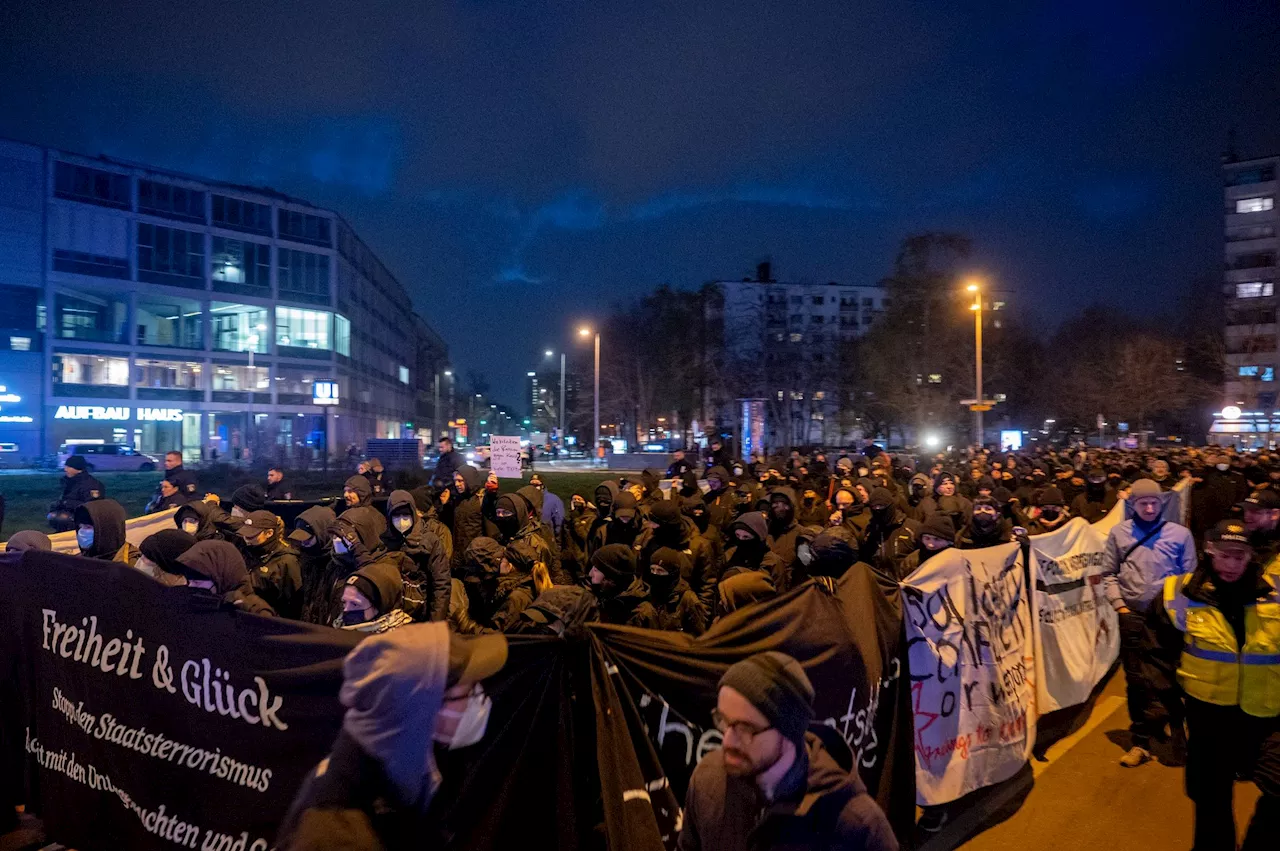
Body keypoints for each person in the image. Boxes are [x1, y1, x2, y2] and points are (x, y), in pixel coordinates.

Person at [276, 624, 509, 851]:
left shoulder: (395, 772)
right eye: (470, 691)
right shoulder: (337, 836)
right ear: (421, 711)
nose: (480, 699)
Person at [677, 651, 897, 851]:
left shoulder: (857, 825)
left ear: (788, 730)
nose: (728, 741)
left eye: (747, 729)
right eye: (724, 721)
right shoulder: (708, 781)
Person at [1151, 520, 1280, 851]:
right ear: (1207, 553)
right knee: (1210, 800)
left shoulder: (1276, 593)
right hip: (1208, 719)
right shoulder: (1176, 594)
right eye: (1224, 555)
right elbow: (1156, 658)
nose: (1232, 564)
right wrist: (1169, 718)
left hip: (1268, 717)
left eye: (1241, 555)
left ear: (1252, 556)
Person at [1102, 477, 1196, 767]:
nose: (1150, 507)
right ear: (1133, 504)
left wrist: (1183, 614)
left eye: (1155, 502)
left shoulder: (1180, 535)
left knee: (1171, 677)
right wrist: (1120, 607)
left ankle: (1176, 727)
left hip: (1169, 621)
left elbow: (1189, 577)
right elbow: (1108, 573)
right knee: (1136, 680)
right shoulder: (1119, 534)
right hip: (1133, 617)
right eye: (1144, 503)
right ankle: (1141, 741)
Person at [639, 499, 720, 610]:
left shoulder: (698, 546)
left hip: (684, 608)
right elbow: (643, 572)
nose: (650, 525)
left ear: (666, 525)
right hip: (654, 606)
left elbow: (707, 585)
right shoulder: (650, 538)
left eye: (654, 523)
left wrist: (702, 613)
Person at [383, 490, 451, 622]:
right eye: (396, 516)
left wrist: (435, 622)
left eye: (406, 515)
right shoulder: (385, 541)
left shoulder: (430, 541)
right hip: (391, 617)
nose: (402, 521)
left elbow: (441, 584)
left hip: (421, 614)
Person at [174, 540, 275, 615]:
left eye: (198, 582)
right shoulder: (205, 603)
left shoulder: (257, 610)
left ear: (222, 575)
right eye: (189, 580)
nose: (191, 585)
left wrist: (245, 610)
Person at [237, 510, 304, 619]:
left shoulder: (287, 561)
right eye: (244, 535)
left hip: (270, 622)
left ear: (269, 533)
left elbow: (293, 603)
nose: (246, 540)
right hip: (246, 617)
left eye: (251, 536)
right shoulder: (247, 552)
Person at [289, 505, 340, 625]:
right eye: (301, 540)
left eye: (307, 539)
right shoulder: (305, 560)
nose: (303, 544)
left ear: (323, 533)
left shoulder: (339, 564)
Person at [642, 547, 707, 635]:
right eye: (652, 569)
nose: (655, 574)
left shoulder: (687, 599)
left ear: (673, 573)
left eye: (660, 571)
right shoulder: (648, 594)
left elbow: (699, 634)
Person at [338, 560, 415, 634]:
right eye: (344, 602)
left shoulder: (404, 640)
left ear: (379, 606)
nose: (346, 609)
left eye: (355, 604)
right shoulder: (339, 626)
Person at [858, 487, 921, 578]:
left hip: (906, 584)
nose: (878, 510)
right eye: (875, 507)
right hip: (879, 585)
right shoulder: (867, 533)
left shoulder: (911, 528)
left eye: (882, 506)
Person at [587, 543, 654, 627]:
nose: (590, 574)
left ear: (612, 578)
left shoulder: (642, 613)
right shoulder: (603, 597)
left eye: (596, 570)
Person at [47, 455, 104, 531]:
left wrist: (66, 503)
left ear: (77, 469)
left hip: (85, 518)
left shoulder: (90, 484)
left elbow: (91, 506)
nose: (65, 469)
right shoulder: (71, 482)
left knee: (62, 517)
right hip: (72, 513)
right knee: (54, 515)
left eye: (68, 467)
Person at [445, 465, 485, 570]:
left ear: (469, 480)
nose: (457, 484)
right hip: (458, 557)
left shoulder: (481, 499)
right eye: (455, 481)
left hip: (476, 556)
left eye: (460, 480)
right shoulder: (458, 499)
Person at [73, 499, 138, 564]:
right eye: (80, 527)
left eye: (88, 527)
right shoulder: (79, 561)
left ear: (107, 529)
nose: (81, 532)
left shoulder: (134, 565)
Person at [897, 514, 956, 579]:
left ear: (949, 541)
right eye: (927, 538)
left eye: (937, 539)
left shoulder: (958, 561)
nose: (931, 544)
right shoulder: (912, 560)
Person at [1240, 488, 1280, 565]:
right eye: (1246, 510)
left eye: (1255, 511)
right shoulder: (1244, 531)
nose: (1247, 516)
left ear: (1275, 514)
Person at [528, 473, 565, 542]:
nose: (533, 488)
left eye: (536, 485)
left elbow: (559, 522)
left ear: (543, 486)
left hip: (546, 539)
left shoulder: (554, 500)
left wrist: (556, 540)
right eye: (531, 485)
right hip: (529, 539)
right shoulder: (526, 498)